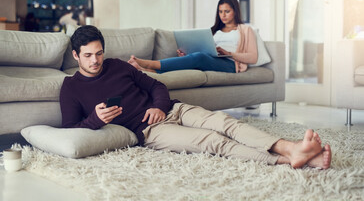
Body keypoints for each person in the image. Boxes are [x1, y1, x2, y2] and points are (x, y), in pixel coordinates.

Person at [60, 25, 331, 169]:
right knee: (214, 142)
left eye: (98, 53)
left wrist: (159, 107)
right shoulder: (71, 88)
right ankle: (287, 159)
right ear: (75, 55)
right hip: (150, 132)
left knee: (227, 123)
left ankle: (291, 148)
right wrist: (95, 119)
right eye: (87, 55)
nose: (95, 61)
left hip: (173, 109)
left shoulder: (118, 65)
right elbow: (70, 129)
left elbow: (157, 87)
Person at [128, 0, 257, 73]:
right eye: (220, 11)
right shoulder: (215, 31)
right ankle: (147, 71)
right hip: (212, 59)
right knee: (197, 58)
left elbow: (253, 57)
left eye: (227, 11)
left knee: (200, 58)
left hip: (230, 64)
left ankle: (149, 63)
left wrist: (229, 53)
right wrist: (188, 54)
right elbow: (207, 50)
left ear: (235, 11)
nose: (223, 15)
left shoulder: (245, 30)